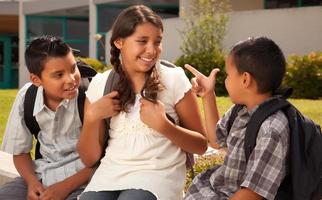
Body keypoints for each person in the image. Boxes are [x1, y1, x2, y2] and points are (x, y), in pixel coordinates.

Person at [77, 5, 207, 200]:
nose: (152, 50)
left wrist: (164, 126)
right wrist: (91, 117)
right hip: (110, 175)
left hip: (158, 175)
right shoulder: (100, 85)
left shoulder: (173, 79)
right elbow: (89, 159)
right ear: (119, 41)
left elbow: (201, 145)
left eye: (157, 42)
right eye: (142, 41)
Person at [184, 37, 289, 200]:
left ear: (245, 79)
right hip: (217, 189)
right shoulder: (241, 110)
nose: (225, 80)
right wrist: (208, 95)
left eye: (228, 75)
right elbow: (216, 141)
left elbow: (252, 194)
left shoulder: (272, 129)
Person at [0, 36, 93, 200]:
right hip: (42, 174)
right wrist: (32, 182)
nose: (71, 79)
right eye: (59, 75)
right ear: (36, 80)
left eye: (73, 69)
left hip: (87, 179)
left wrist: (64, 187)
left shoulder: (90, 94)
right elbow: (20, 152)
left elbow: (105, 157)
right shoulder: (27, 97)